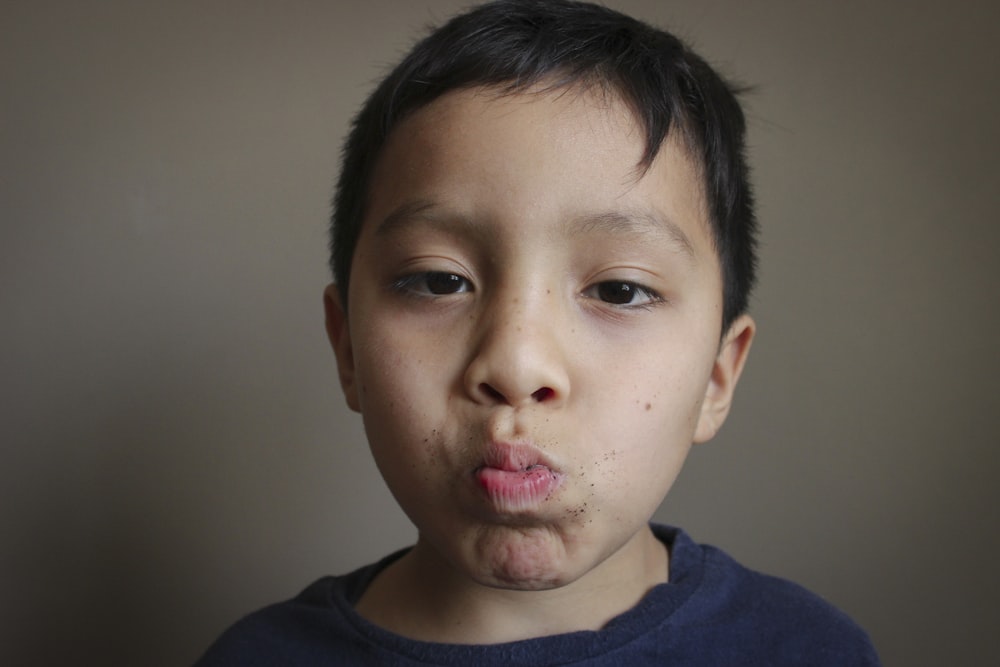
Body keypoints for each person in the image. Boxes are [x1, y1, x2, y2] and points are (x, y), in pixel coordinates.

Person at [196, 1, 880, 664]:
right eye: (439, 279)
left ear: (717, 376)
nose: (518, 365)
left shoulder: (807, 649)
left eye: (619, 289)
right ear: (347, 348)